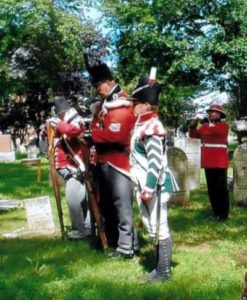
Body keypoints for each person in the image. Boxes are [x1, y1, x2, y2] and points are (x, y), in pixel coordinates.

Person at [83, 54, 139, 258]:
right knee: (107, 204)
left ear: (110, 82)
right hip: (104, 160)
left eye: (99, 86)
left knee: (122, 206)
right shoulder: (104, 105)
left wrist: (92, 135)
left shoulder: (121, 104)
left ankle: (127, 247)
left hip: (119, 162)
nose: (98, 90)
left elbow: (117, 134)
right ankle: (117, 241)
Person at [129, 73, 178, 282]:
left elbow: (155, 161)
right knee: (151, 226)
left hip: (155, 186)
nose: (133, 107)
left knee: (160, 226)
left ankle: (164, 272)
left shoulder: (151, 127)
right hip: (146, 185)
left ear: (147, 105)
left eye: (137, 103)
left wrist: (148, 187)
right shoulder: (142, 125)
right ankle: (159, 269)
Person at [48, 96, 91, 239]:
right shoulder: (64, 122)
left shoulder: (76, 121)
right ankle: (85, 228)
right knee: (80, 199)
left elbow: (75, 131)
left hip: (75, 168)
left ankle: (82, 229)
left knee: (73, 199)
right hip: (67, 169)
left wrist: (59, 125)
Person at [189, 104, 229, 220]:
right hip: (208, 162)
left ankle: (224, 214)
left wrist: (204, 124)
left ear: (220, 115)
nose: (211, 113)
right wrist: (193, 125)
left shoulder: (223, 126)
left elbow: (212, 132)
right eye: (210, 111)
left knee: (221, 189)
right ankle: (216, 213)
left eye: (214, 112)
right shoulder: (206, 126)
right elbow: (193, 135)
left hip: (220, 162)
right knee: (212, 189)